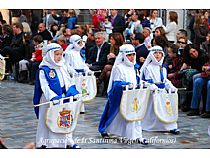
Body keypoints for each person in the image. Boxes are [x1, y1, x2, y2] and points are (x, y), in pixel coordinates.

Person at [33, 43, 81, 149]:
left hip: (64, 98)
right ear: (49, 55)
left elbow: (68, 81)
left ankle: (68, 140)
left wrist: (72, 91)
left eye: (60, 54)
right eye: (56, 54)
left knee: (66, 119)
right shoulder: (44, 69)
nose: (59, 57)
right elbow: (45, 86)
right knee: (48, 120)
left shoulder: (63, 66)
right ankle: (44, 142)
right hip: (49, 100)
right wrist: (53, 97)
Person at [98, 44, 148, 145]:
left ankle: (138, 135)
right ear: (124, 56)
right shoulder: (119, 68)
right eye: (129, 55)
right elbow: (117, 83)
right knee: (118, 115)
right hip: (121, 96)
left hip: (133, 95)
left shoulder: (134, 67)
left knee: (136, 114)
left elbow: (137, 78)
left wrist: (142, 83)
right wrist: (127, 85)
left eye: (133, 55)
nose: (132, 57)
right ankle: (108, 130)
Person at [140, 45, 179, 134]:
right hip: (152, 93)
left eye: (159, 53)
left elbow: (165, 80)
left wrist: (171, 87)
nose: (157, 55)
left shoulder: (162, 68)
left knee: (167, 109)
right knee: (154, 110)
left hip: (162, 93)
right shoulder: (147, 68)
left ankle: (170, 126)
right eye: (155, 53)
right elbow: (145, 81)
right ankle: (153, 126)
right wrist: (153, 87)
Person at [64, 34, 92, 114]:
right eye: (78, 43)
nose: (80, 44)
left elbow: (83, 64)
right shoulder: (69, 53)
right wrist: (73, 72)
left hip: (81, 75)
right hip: (74, 75)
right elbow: (67, 65)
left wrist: (87, 70)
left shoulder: (80, 53)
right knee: (74, 91)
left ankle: (81, 108)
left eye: (81, 42)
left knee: (82, 90)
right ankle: (73, 107)